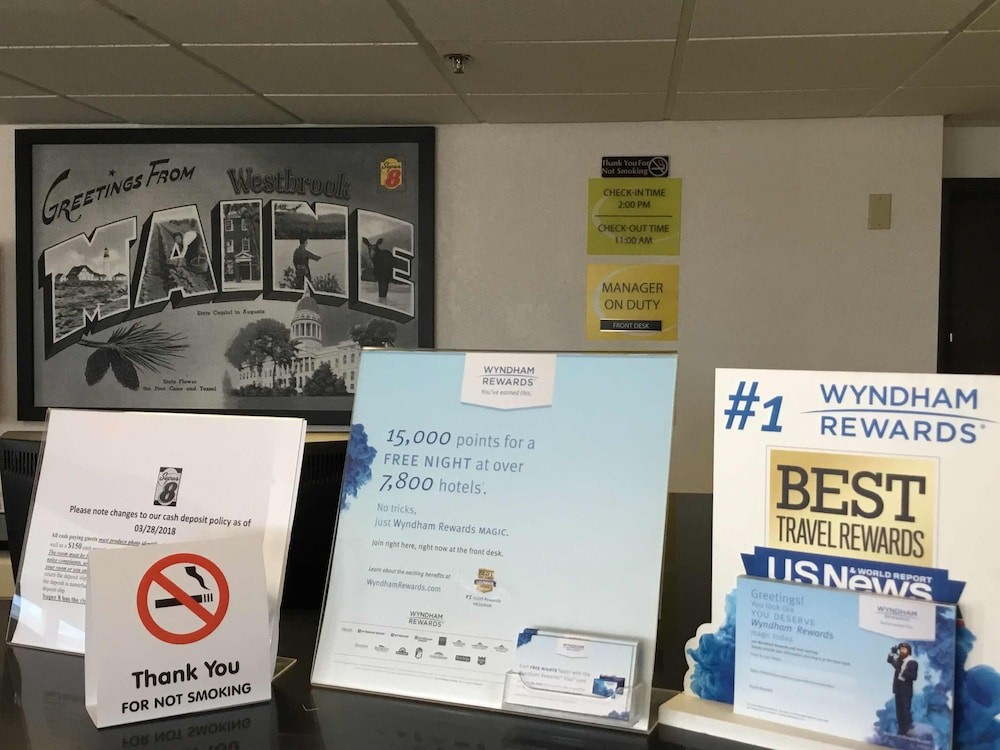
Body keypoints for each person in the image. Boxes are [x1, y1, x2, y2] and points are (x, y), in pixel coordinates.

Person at [887, 642, 918, 735]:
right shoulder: (900, 661)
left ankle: (909, 730)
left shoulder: (912, 662)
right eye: (900, 649)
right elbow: (890, 660)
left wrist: (903, 671)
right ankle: (901, 730)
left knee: (905, 711)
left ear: (908, 651)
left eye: (904, 649)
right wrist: (892, 653)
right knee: (899, 712)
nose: (901, 651)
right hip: (898, 689)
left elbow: (914, 676)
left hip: (906, 691)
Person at [363, 236, 393, 303]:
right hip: (386, 272)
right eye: (371, 249)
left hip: (385, 271)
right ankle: (382, 299)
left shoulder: (382, 256)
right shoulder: (384, 254)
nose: (372, 252)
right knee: (383, 282)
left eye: (374, 249)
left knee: (382, 281)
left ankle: (382, 299)